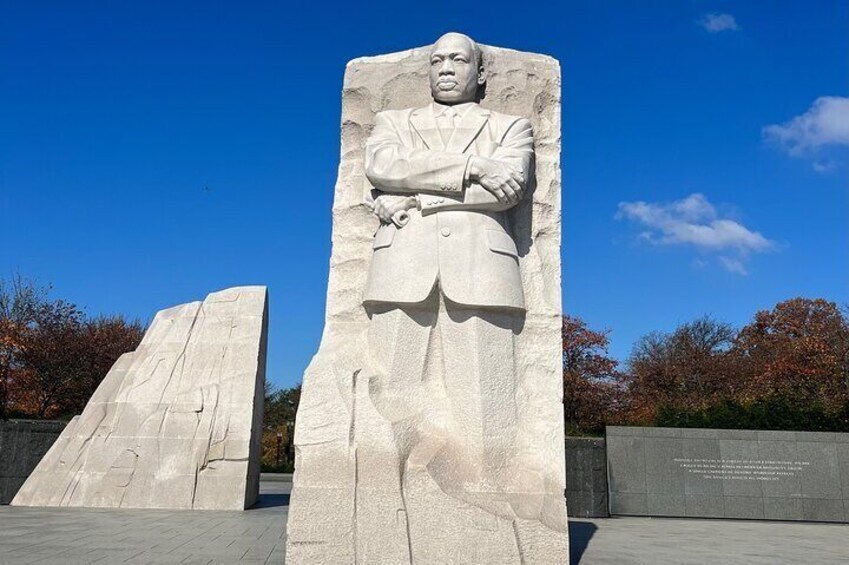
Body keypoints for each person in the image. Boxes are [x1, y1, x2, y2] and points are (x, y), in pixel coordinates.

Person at [357, 31, 540, 556]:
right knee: (387, 396)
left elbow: (511, 190)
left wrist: (415, 195)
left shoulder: (512, 126)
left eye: (458, 60)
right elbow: (381, 168)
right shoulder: (394, 123)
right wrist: (472, 167)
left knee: (486, 404)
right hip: (401, 267)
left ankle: (492, 521)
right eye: (437, 60)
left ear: (480, 72)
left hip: (482, 269)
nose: (445, 68)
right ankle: (378, 510)